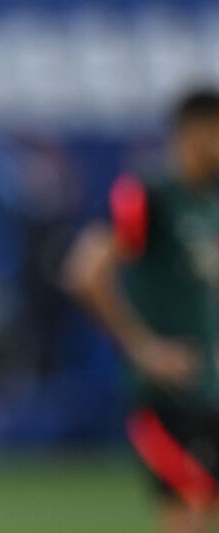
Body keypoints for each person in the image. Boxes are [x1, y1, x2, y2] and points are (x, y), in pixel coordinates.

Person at [64, 89, 219, 533]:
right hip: (165, 397)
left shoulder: (209, 200)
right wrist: (144, 348)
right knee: (187, 511)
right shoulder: (151, 194)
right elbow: (84, 271)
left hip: (208, 389)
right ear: (195, 132)